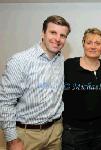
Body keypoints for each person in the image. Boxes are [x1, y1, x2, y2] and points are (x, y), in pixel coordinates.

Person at [0, 15, 71, 150]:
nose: (57, 39)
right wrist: (12, 139)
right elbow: (5, 102)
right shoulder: (19, 61)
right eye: (53, 32)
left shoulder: (61, 60)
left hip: (55, 132)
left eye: (63, 35)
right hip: (26, 134)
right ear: (43, 33)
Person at [62, 28, 101, 150]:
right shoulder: (68, 66)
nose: (93, 46)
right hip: (75, 131)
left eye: (97, 43)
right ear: (83, 44)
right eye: (89, 42)